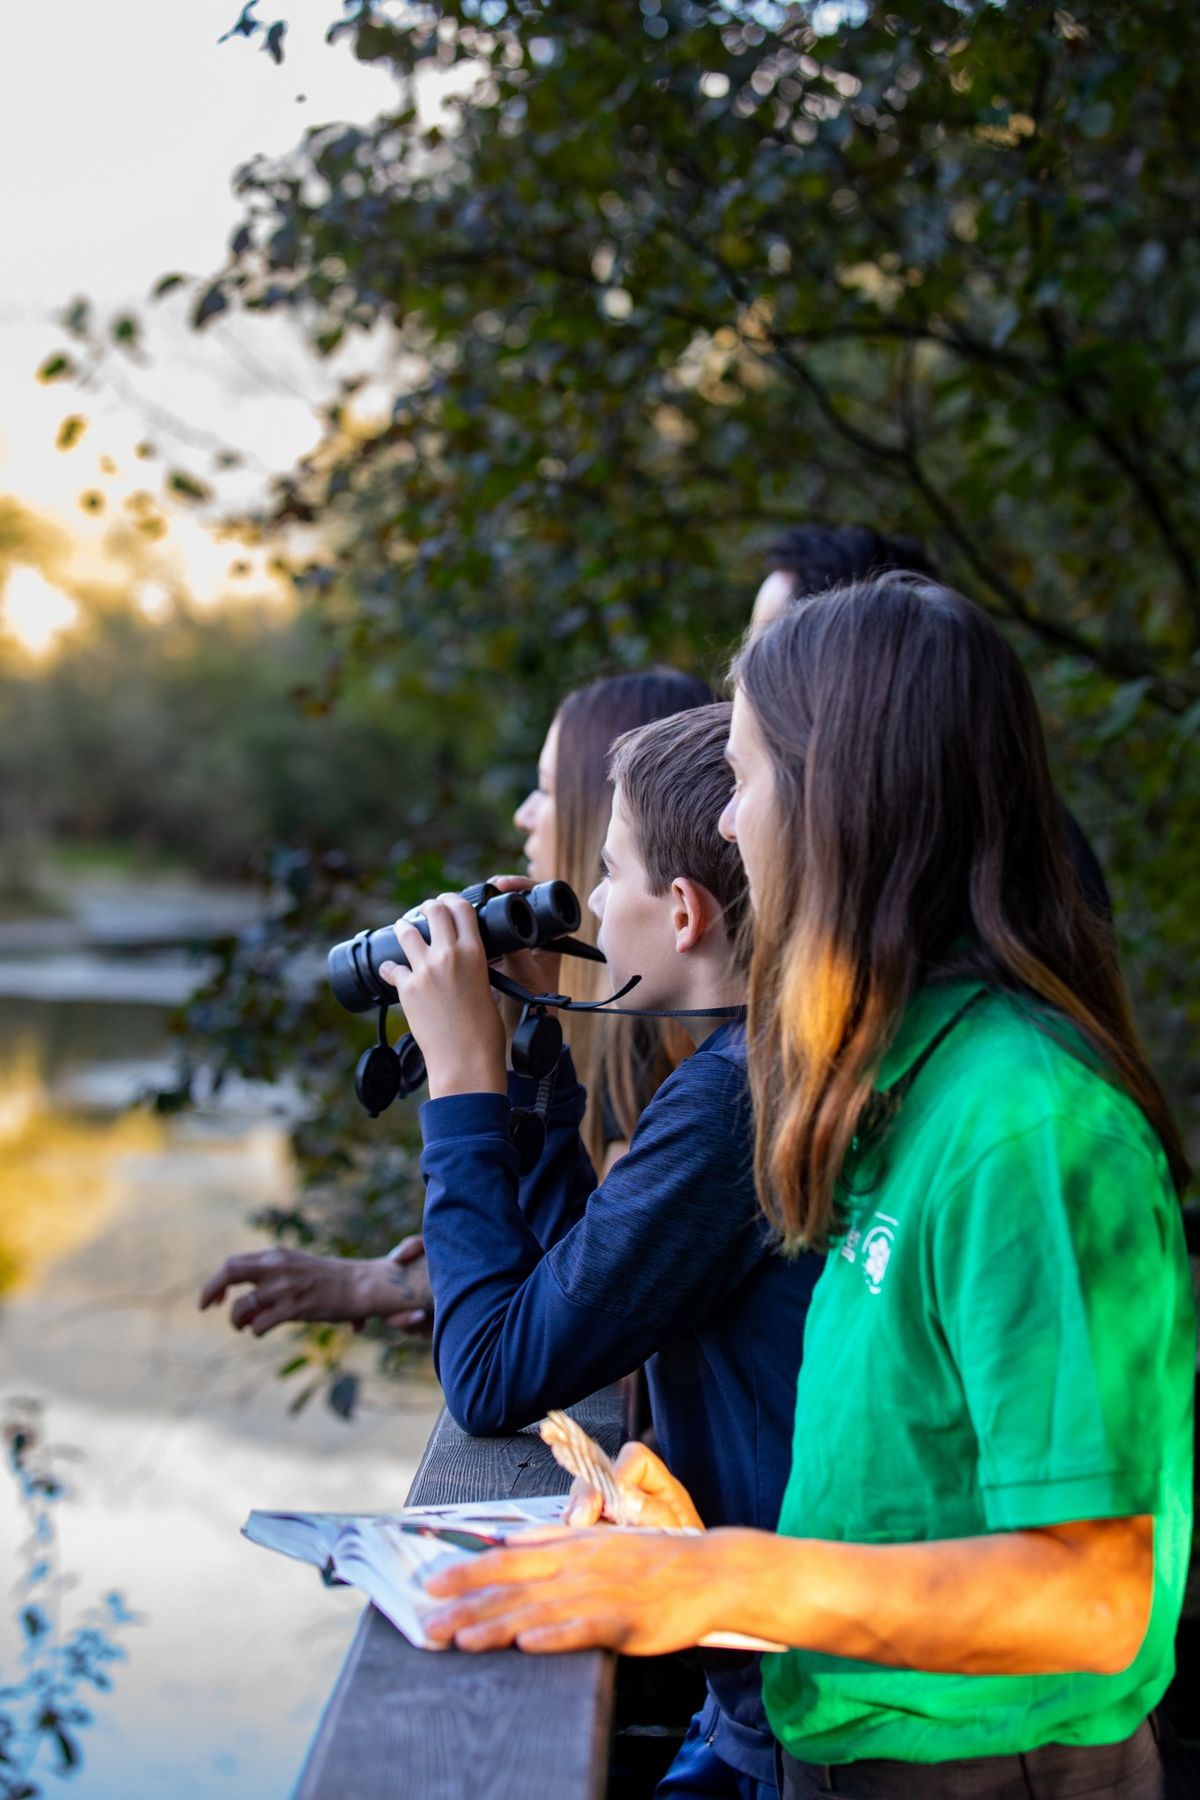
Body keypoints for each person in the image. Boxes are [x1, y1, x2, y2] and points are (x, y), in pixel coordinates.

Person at [422, 577, 1194, 1800]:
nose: (726, 830)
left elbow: (1093, 1595)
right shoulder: (877, 1079)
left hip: (993, 1771)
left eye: (747, 779)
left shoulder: (1024, 1125)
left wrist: (721, 1575)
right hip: (839, 1737)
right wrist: (699, 1521)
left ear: (845, 802)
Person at [384, 703, 822, 1799]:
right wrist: (531, 1058)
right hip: (758, 1701)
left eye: (609, 868)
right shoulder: (759, 1066)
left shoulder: (732, 1097)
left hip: (779, 1733)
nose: (588, 899)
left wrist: (462, 1087)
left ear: (681, 915)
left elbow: (489, 1376)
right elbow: (586, 1282)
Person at [198, 669, 713, 1339]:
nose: (524, 814)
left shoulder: (672, 1066)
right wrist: (401, 1280)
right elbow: (581, 1264)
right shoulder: (620, 1028)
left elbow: (544, 1327)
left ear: (604, 806)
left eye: (549, 789)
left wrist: (465, 1077)